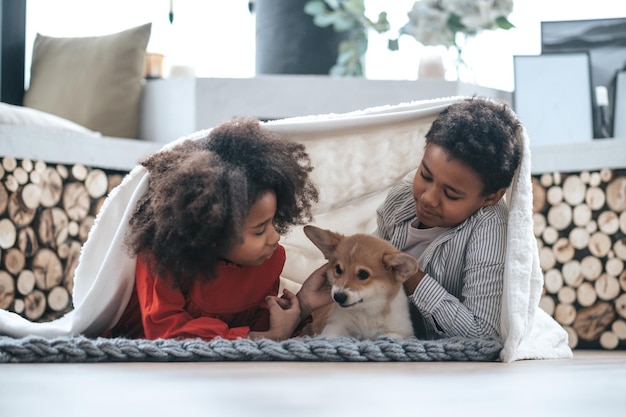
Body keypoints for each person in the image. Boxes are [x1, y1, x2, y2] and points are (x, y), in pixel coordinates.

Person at [103, 117, 328, 341]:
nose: (275, 237)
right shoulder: (161, 258)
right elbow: (164, 330)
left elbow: (252, 326)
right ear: (213, 233)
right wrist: (261, 338)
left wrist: (303, 304)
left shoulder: (269, 260)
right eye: (259, 230)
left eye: (274, 222)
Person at [374, 96, 523, 340]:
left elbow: (483, 334)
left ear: (491, 197)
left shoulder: (488, 225)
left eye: (451, 194)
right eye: (425, 175)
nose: (428, 199)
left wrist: (412, 276)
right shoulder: (399, 202)